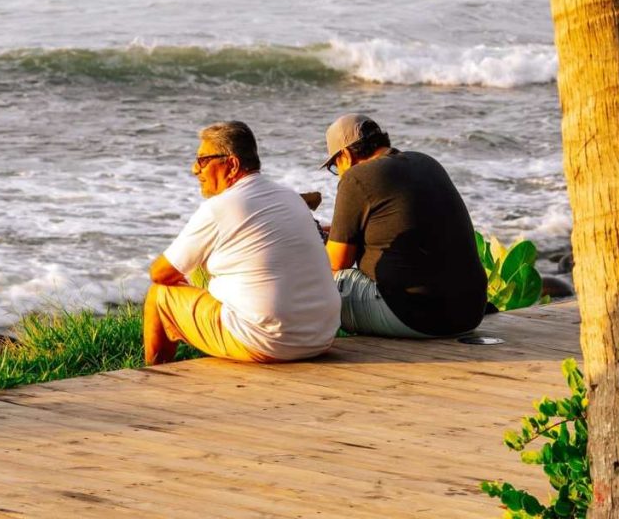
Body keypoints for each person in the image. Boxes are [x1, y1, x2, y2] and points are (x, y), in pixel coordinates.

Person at [144, 121, 340, 365]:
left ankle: (155, 374)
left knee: (160, 295)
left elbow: (161, 273)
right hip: (321, 336)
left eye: (203, 160)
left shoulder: (221, 207)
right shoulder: (289, 196)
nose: (196, 169)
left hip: (269, 342)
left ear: (232, 164)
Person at [321, 114, 487, 338]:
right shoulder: (426, 161)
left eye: (334, 166)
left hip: (415, 317)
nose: (338, 173)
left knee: (317, 279)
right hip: (469, 313)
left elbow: (336, 263)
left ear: (346, 155)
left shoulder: (356, 178)